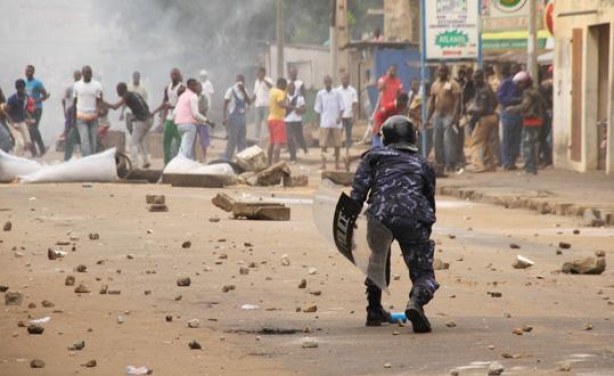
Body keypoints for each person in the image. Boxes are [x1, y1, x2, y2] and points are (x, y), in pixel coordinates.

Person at [350, 115, 438, 332]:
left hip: (379, 216)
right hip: (414, 217)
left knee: (377, 261)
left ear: (385, 137)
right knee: (424, 273)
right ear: (413, 138)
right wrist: (424, 229)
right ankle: (416, 303)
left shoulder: (373, 156)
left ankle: (373, 309)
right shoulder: (423, 163)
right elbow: (429, 198)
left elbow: (358, 192)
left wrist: (350, 221)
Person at [103, 82, 153, 168]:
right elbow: (144, 107)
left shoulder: (126, 96)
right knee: (140, 140)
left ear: (121, 90)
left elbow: (115, 107)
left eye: (117, 90)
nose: (117, 93)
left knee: (132, 143)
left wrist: (103, 102)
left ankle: (134, 165)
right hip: (149, 120)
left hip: (143, 121)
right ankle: (146, 161)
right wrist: (137, 117)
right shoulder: (134, 94)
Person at [506, 72, 545, 175]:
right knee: (533, 145)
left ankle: (529, 169)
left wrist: (512, 109)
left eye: (519, 83)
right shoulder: (535, 91)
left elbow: (525, 106)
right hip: (538, 120)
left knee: (527, 146)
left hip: (530, 121)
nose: (518, 86)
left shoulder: (527, 93)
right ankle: (533, 168)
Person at [426, 64, 461, 172]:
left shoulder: (453, 84)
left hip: (448, 116)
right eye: (440, 71)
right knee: (437, 141)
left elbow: (457, 101)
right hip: (437, 116)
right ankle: (440, 163)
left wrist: (454, 116)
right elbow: (432, 102)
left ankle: (450, 164)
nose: (442, 73)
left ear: (448, 72)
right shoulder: (435, 85)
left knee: (448, 141)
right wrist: (427, 118)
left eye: (444, 71)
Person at [467, 69, 499, 173]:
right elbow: (495, 102)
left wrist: (471, 109)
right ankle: (490, 164)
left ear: (482, 77)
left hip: (485, 118)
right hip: (491, 117)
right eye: (474, 79)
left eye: (477, 78)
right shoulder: (485, 88)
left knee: (474, 142)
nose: (475, 81)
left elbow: (483, 108)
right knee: (484, 142)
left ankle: (478, 165)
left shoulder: (484, 90)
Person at [152, 68, 185, 165]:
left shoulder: (182, 89)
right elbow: (164, 102)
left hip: (178, 119)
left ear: (179, 76)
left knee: (180, 141)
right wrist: (156, 111)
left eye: (176, 75)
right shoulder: (167, 88)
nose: (174, 76)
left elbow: (183, 104)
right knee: (166, 141)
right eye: (172, 75)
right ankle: (167, 163)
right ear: (170, 76)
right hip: (169, 119)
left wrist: (171, 106)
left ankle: (180, 162)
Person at [174, 78, 210, 160]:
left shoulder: (182, 96)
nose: (197, 87)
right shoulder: (193, 96)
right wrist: (207, 120)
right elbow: (195, 114)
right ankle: (181, 164)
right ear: (191, 86)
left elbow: (175, 113)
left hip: (179, 125)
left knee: (184, 146)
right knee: (187, 149)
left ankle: (189, 163)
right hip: (189, 125)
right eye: (195, 85)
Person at [314, 75, 345, 170]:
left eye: (329, 81)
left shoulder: (337, 93)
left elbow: (342, 107)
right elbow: (318, 109)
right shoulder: (320, 94)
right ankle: (323, 163)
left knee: (337, 145)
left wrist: (340, 117)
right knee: (323, 144)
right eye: (326, 82)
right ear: (324, 83)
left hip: (336, 122)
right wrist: (317, 121)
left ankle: (337, 164)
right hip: (324, 122)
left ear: (331, 82)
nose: (327, 83)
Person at [72, 66, 103, 157]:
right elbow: (75, 102)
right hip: (81, 116)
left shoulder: (97, 85)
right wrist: (73, 118)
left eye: (90, 72)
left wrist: (99, 110)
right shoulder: (77, 85)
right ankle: (87, 159)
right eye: (86, 72)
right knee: (84, 139)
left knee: (93, 139)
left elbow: (100, 100)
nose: (88, 74)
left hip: (93, 116)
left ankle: (92, 158)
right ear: (83, 74)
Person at [497, 63, 523, 170]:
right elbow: (501, 98)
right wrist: (515, 100)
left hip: (519, 113)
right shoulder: (506, 83)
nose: (516, 72)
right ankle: (507, 162)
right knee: (507, 138)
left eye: (518, 70)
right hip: (508, 112)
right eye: (514, 70)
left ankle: (512, 160)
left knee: (516, 138)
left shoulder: (523, 84)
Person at [223, 74, 252, 160]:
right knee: (232, 140)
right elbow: (225, 104)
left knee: (242, 141)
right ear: (235, 81)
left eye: (242, 81)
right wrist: (224, 118)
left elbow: (249, 102)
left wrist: (243, 91)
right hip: (233, 118)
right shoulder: (231, 90)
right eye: (238, 80)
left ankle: (242, 160)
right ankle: (227, 159)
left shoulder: (245, 90)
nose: (240, 83)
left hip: (242, 119)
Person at [25, 65, 50, 156]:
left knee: (33, 128)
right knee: (29, 130)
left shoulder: (37, 83)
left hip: (37, 108)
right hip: (28, 110)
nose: (28, 73)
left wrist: (36, 101)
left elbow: (45, 95)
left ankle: (42, 148)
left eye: (30, 71)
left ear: (33, 72)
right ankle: (34, 152)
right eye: (27, 71)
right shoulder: (25, 83)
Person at [5, 79, 33, 156]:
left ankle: (23, 156)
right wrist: (11, 122)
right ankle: (14, 157)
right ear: (17, 89)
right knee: (20, 142)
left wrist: (29, 118)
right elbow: (6, 112)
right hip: (13, 124)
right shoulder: (12, 99)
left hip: (21, 122)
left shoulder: (25, 98)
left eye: (23, 88)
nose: (22, 90)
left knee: (28, 142)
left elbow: (24, 109)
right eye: (20, 88)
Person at [285, 81, 307, 163]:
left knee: (299, 137)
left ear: (294, 89)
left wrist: (299, 110)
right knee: (289, 139)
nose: (291, 89)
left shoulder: (299, 98)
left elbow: (304, 109)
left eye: (292, 88)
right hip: (287, 121)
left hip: (297, 121)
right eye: (289, 88)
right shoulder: (284, 98)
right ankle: (293, 157)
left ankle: (304, 148)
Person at [267, 78, 288, 164]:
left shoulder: (272, 91)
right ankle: (276, 163)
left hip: (270, 119)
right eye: (284, 85)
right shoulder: (280, 92)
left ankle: (269, 162)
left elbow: (270, 86)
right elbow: (281, 104)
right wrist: (294, 107)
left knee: (272, 143)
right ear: (280, 84)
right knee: (277, 143)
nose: (285, 87)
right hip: (278, 120)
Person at [337, 73, 358, 152]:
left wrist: (354, 115)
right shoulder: (337, 91)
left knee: (348, 133)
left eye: (346, 79)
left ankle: (347, 150)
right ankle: (337, 150)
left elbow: (355, 103)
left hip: (349, 115)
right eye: (343, 79)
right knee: (338, 133)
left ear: (349, 80)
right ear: (341, 80)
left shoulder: (353, 91)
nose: (344, 80)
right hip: (340, 115)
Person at [252, 67, 273, 141]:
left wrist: (264, 80)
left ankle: (271, 137)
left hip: (266, 105)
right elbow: (255, 94)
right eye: (257, 73)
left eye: (259, 72)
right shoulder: (256, 82)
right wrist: (250, 103)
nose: (258, 74)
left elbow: (271, 87)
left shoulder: (268, 80)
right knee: (257, 122)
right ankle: (256, 138)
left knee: (267, 122)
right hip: (258, 105)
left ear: (263, 73)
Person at [539, 66, 553, 167]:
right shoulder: (545, 86)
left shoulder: (543, 87)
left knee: (542, 138)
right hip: (546, 113)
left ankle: (545, 159)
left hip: (542, 115)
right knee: (544, 138)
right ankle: (546, 158)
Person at [195, 82, 211, 162]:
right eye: (197, 86)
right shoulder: (192, 97)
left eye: (200, 87)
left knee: (203, 141)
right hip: (194, 122)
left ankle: (204, 157)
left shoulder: (204, 98)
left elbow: (205, 107)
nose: (199, 88)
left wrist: (197, 112)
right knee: (194, 140)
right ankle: (196, 157)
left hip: (202, 121)